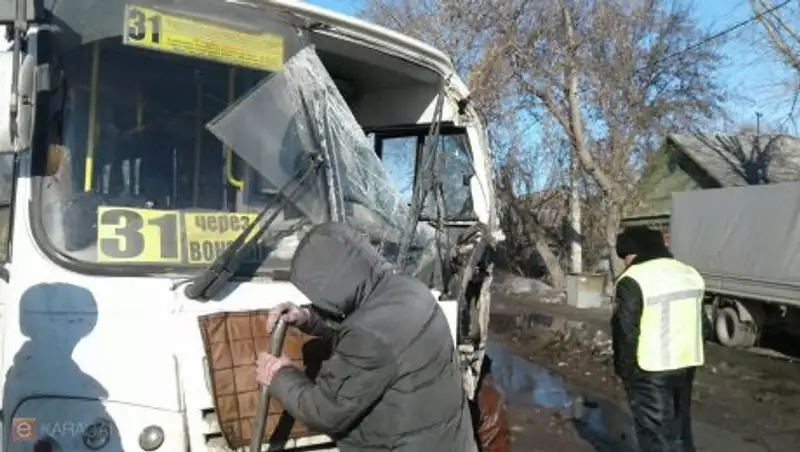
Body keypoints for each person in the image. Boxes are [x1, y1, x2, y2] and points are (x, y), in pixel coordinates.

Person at [255, 222, 478, 452]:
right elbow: (364, 328)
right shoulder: (408, 288)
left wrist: (279, 376)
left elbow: (325, 410)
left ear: (329, 283)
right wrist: (308, 317)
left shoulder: (369, 335)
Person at [611, 226, 705, 452]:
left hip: (650, 370)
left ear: (635, 252)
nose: (625, 262)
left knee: (656, 436)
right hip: (687, 364)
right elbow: (702, 323)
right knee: (680, 430)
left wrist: (625, 370)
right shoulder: (690, 273)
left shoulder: (633, 279)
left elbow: (626, 330)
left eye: (626, 256)